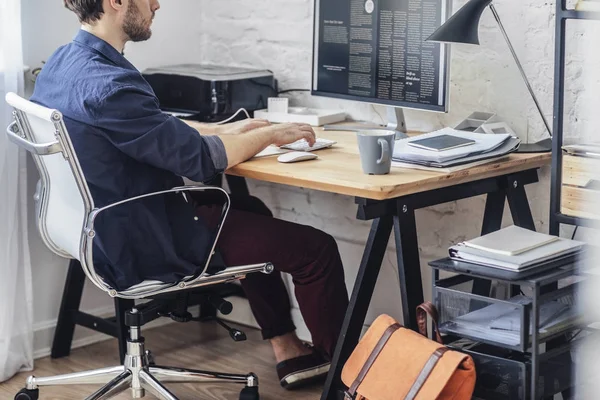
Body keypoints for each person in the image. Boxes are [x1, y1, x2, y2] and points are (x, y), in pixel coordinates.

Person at [31, 0, 350, 390]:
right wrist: (271, 134)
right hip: (143, 238)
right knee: (316, 251)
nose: (157, 4)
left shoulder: (63, 63)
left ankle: (288, 348)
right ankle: (348, 379)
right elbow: (200, 161)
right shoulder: (111, 84)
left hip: (96, 227)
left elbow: (158, 131)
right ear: (116, 2)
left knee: (249, 208)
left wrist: (238, 132)